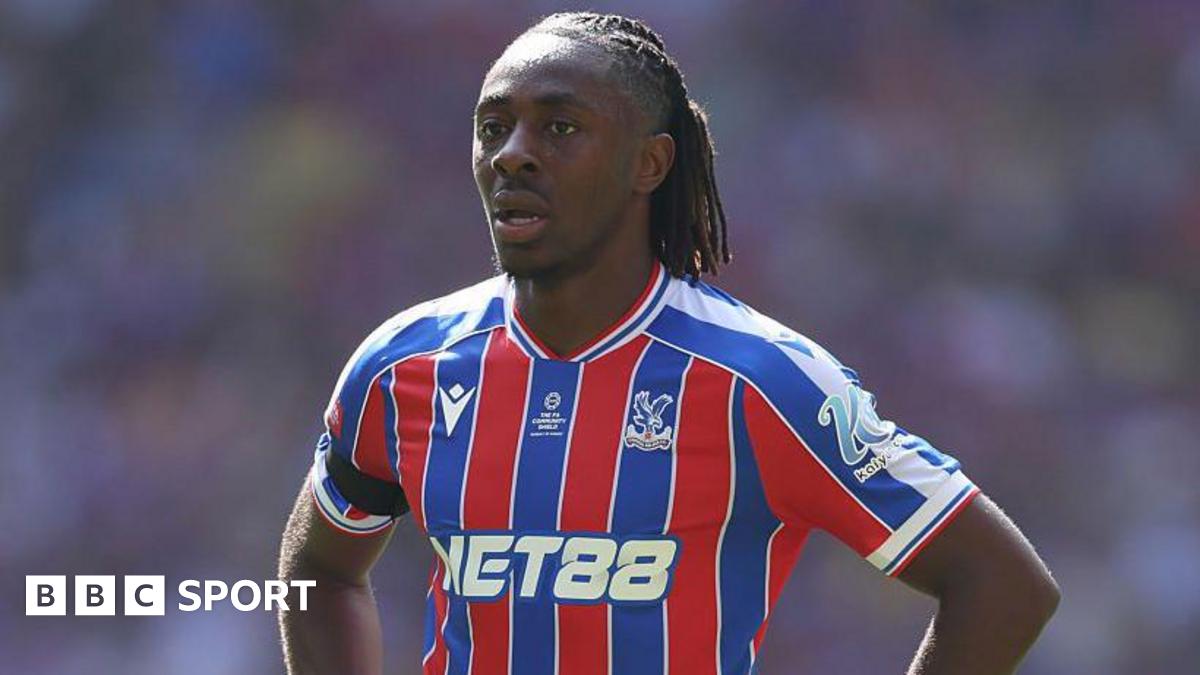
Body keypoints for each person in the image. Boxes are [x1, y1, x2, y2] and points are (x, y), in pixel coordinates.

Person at [278, 12, 1059, 675]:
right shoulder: (403, 367)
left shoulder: (759, 380)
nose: (513, 152)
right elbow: (319, 569)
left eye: (559, 126)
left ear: (649, 162)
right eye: (493, 126)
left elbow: (1000, 582)